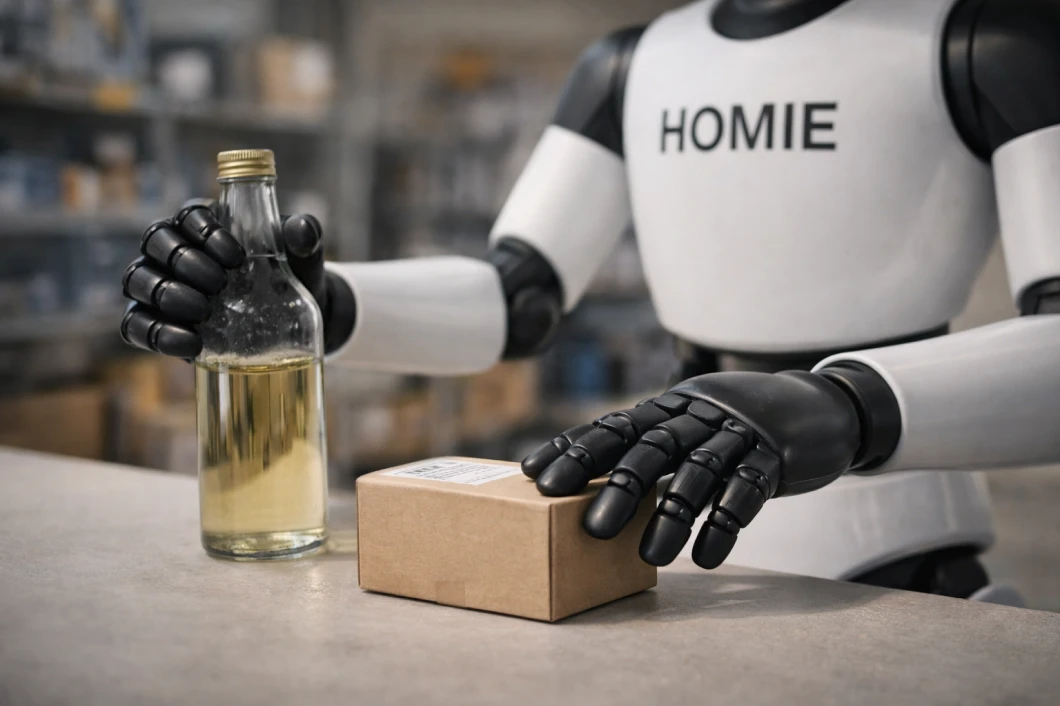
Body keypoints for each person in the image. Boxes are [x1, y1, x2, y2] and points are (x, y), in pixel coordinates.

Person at [120, 0, 1060, 602]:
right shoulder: (633, 61)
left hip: (901, 521)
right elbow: (517, 295)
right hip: (667, 497)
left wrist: (841, 402)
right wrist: (322, 302)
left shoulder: (987, 37)